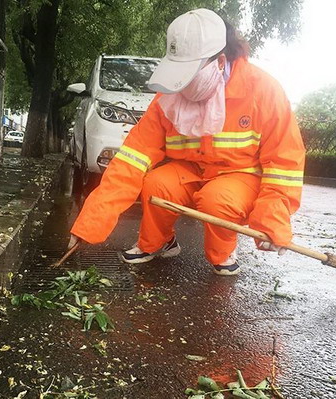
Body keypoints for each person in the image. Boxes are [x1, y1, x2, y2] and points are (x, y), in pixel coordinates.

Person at [68, 8, 305, 276]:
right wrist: (89, 224)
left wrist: (272, 220)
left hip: (238, 175)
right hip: (191, 170)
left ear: (220, 61)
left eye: (191, 72)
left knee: (218, 199)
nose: (182, 84)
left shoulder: (263, 90)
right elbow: (131, 160)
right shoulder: (169, 97)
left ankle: (222, 252)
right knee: (157, 184)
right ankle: (157, 243)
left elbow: (285, 162)